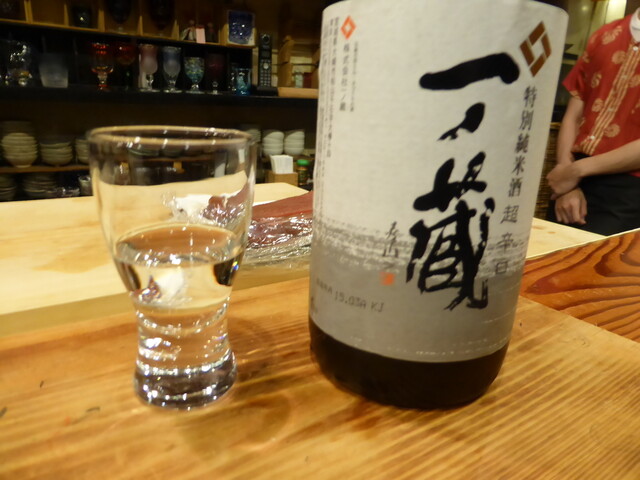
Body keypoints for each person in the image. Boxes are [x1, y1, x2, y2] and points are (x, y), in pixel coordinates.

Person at [546, 9, 640, 236]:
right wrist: (566, 174)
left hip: (629, 188)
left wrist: (575, 171)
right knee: (549, 251)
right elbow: (573, 115)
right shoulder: (604, 34)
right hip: (573, 176)